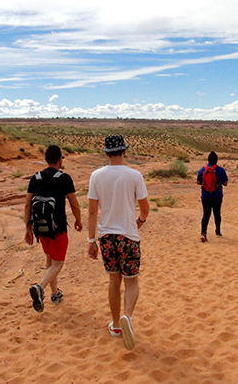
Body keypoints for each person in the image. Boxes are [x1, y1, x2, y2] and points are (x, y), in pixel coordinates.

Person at [87, 134, 150, 350]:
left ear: (106, 153)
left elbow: (93, 211)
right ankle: (128, 317)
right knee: (131, 281)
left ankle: (115, 325)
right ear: (124, 151)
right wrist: (139, 222)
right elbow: (145, 208)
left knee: (114, 281)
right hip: (128, 235)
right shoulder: (135, 176)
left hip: (106, 236)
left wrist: (90, 240)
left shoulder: (96, 176)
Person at [24, 145, 83, 313]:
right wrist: (78, 220)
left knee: (50, 260)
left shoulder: (36, 177)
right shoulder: (64, 178)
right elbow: (74, 203)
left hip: (40, 228)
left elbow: (28, 204)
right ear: (60, 160)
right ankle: (40, 287)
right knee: (58, 263)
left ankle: (55, 293)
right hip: (58, 228)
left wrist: (28, 227)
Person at [197, 151, 228, 242]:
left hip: (205, 195)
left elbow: (198, 182)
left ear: (208, 159)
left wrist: (206, 184)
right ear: (217, 160)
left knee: (206, 214)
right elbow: (225, 183)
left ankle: (203, 233)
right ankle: (218, 231)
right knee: (217, 213)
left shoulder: (202, 169)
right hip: (217, 195)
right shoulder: (221, 170)